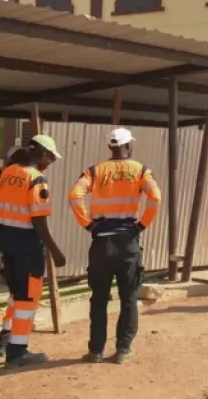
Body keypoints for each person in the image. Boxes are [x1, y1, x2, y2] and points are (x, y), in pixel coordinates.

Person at [68, 127, 162, 364]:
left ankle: (96, 351)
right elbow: (155, 197)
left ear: (110, 146)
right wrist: (142, 225)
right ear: (128, 146)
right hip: (127, 243)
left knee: (99, 298)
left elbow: (75, 195)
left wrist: (88, 224)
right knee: (128, 297)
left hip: (101, 243)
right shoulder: (141, 171)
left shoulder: (94, 171)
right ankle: (123, 349)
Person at [0, 135, 67, 368]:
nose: (50, 163)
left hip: (7, 243)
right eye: (51, 158)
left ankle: (5, 339)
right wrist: (55, 251)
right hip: (27, 247)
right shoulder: (36, 179)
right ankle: (17, 352)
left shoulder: (6, 173)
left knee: (16, 293)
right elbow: (39, 221)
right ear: (43, 154)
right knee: (27, 299)